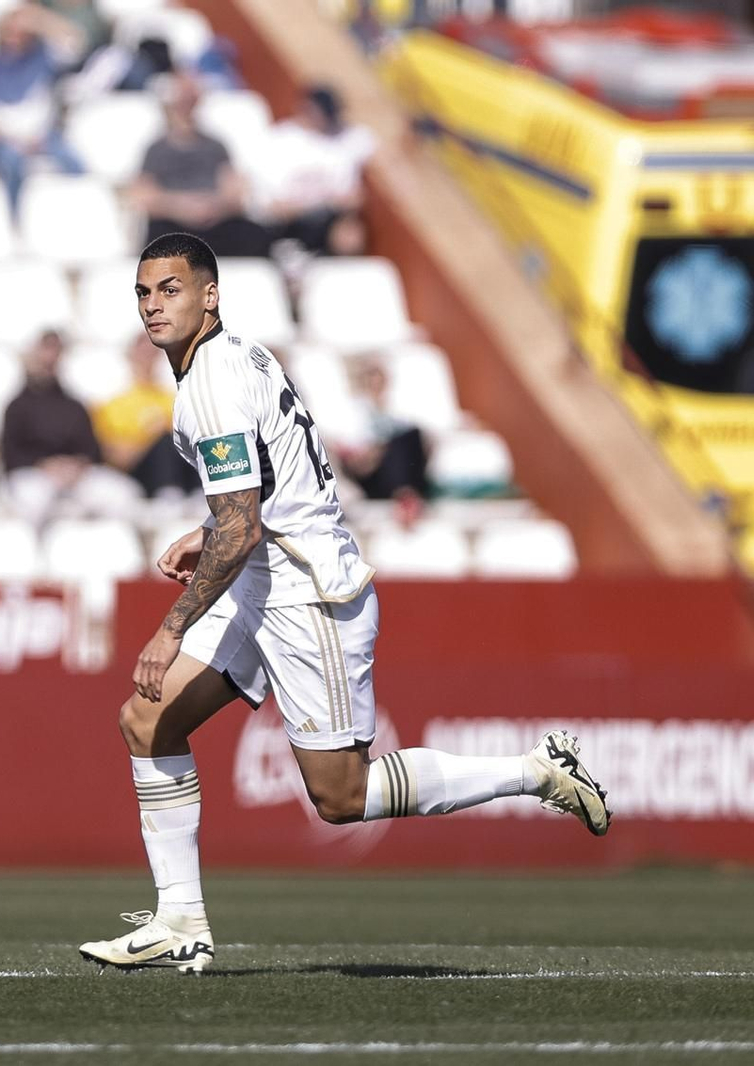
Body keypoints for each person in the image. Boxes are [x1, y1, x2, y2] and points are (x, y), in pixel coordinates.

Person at [77, 233, 610, 973]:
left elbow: (243, 522)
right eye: (143, 292)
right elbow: (260, 495)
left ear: (210, 294)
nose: (153, 306)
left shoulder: (214, 382)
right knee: (147, 719)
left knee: (341, 796)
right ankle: (179, 919)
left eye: (170, 289)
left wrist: (172, 627)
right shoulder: (236, 357)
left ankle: (537, 771)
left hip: (307, 596)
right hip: (267, 573)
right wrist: (211, 533)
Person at [1, 329, 140, 526]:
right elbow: (11, 454)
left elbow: (92, 449)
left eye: (55, 351)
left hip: (76, 476)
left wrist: (76, 466)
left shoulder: (74, 405)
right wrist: (45, 465)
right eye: (45, 350)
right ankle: (34, 554)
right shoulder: (17, 406)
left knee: (122, 494)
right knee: (33, 500)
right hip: (34, 475)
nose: (49, 358)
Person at [130, 75, 272, 258]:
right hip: (172, 223)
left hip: (215, 220)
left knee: (254, 234)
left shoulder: (215, 145)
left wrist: (210, 207)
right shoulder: (155, 150)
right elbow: (143, 196)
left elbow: (234, 192)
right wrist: (181, 207)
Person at [0, 7, 84, 210]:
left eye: (21, 31)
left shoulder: (41, 59)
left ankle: (78, 213)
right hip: (5, 137)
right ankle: (15, 221)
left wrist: (38, 19)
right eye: (10, 31)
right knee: (10, 162)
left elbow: (76, 43)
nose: (15, 37)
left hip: (42, 136)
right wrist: (13, 134)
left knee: (74, 164)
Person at [254, 85, 374, 257]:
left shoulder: (350, 137)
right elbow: (276, 208)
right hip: (291, 225)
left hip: (334, 220)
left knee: (350, 237)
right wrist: (325, 203)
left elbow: (356, 197)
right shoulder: (277, 140)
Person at [91, 334, 197, 498]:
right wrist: (150, 436)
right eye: (143, 353)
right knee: (163, 441)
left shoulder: (174, 399)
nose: (147, 359)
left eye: (152, 353)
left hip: (182, 468)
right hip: (138, 475)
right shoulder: (114, 404)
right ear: (131, 356)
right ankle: (167, 493)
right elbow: (117, 458)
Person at [335, 356, 427, 523]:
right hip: (367, 475)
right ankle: (406, 496)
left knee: (410, 438)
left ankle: (406, 494)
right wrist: (374, 452)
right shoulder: (352, 412)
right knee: (400, 443)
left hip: (388, 468)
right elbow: (350, 456)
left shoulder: (397, 409)